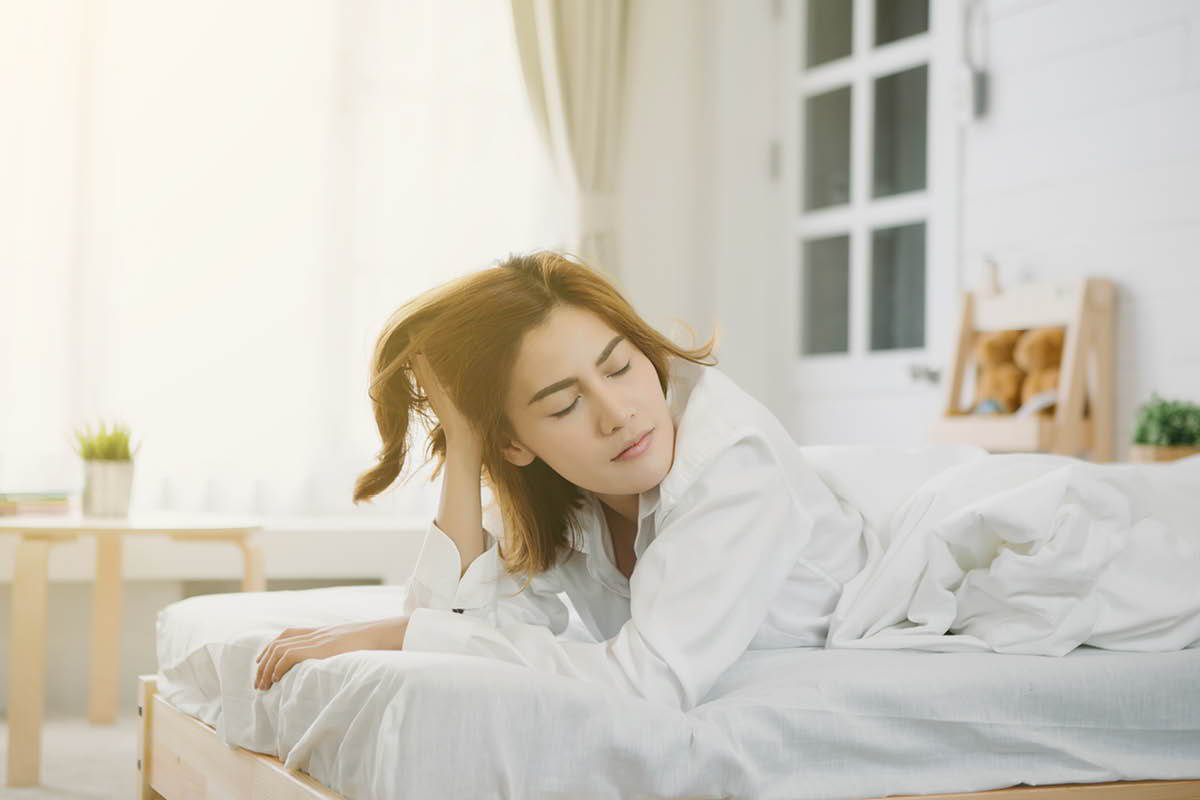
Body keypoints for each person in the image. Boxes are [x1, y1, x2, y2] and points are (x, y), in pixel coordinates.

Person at [254, 250, 866, 711]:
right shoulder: (558, 485)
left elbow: (648, 684)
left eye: (621, 367)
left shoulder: (734, 464)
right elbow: (458, 621)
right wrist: (465, 450)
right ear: (515, 443)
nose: (617, 413)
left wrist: (401, 633)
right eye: (563, 405)